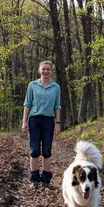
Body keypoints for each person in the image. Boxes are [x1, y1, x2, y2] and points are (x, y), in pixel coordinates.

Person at [21, 60, 61, 190]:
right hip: (34, 120)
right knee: (35, 150)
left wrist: (58, 123)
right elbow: (27, 104)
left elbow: (57, 106)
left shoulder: (56, 87)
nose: (45, 71)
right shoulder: (32, 85)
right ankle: (34, 180)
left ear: (51, 71)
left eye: (48, 69)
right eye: (43, 69)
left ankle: (45, 180)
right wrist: (24, 121)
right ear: (39, 70)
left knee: (47, 150)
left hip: (48, 121)